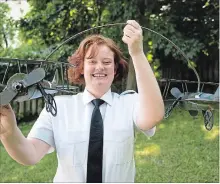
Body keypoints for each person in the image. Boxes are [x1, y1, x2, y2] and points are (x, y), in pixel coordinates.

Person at [0, 20, 164, 182]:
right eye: (92, 61)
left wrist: (137, 53)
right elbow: (31, 154)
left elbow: (153, 116)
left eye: (106, 62)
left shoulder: (129, 103)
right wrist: (9, 133)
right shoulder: (58, 107)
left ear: (115, 70)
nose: (99, 67)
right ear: (81, 68)